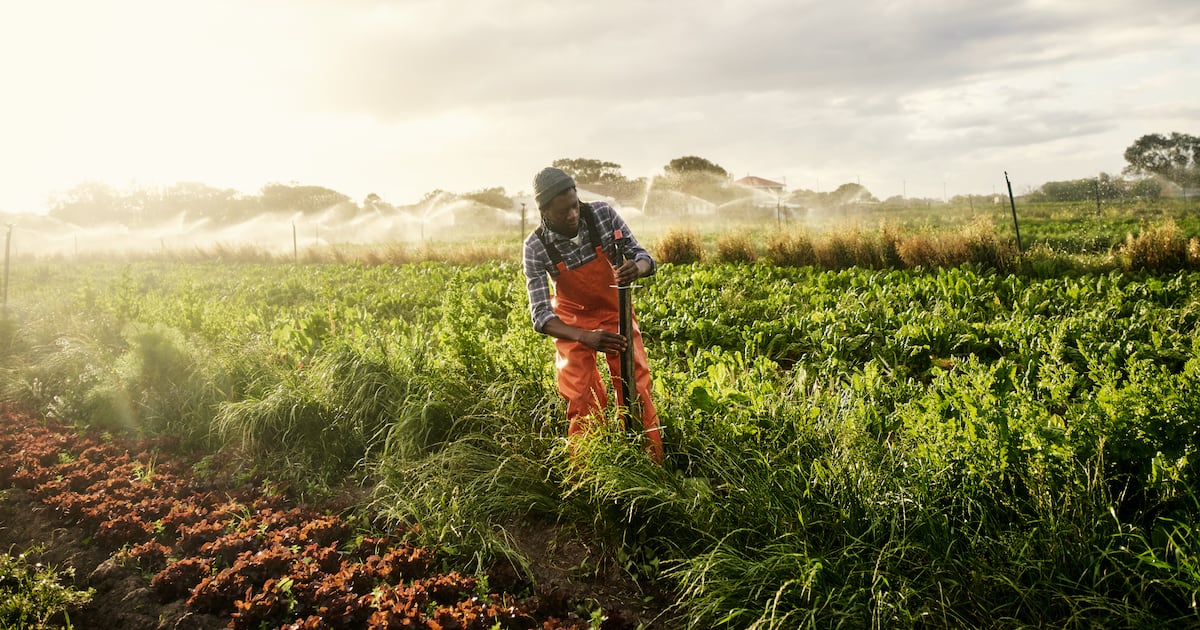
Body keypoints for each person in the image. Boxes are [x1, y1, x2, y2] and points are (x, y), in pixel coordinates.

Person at [522, 166, 663, 464]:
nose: (572, 215)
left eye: (574, 206)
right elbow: (540, 316)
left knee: (634, 388)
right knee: (580, 397)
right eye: (563, 212)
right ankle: (591, 472)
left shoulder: (601, 214)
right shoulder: (535, 247)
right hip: (572, 324)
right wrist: (585, 337)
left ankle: (650, 466)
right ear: (544, 212)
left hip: (615, 313)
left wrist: (636, 268)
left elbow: (645, 257)